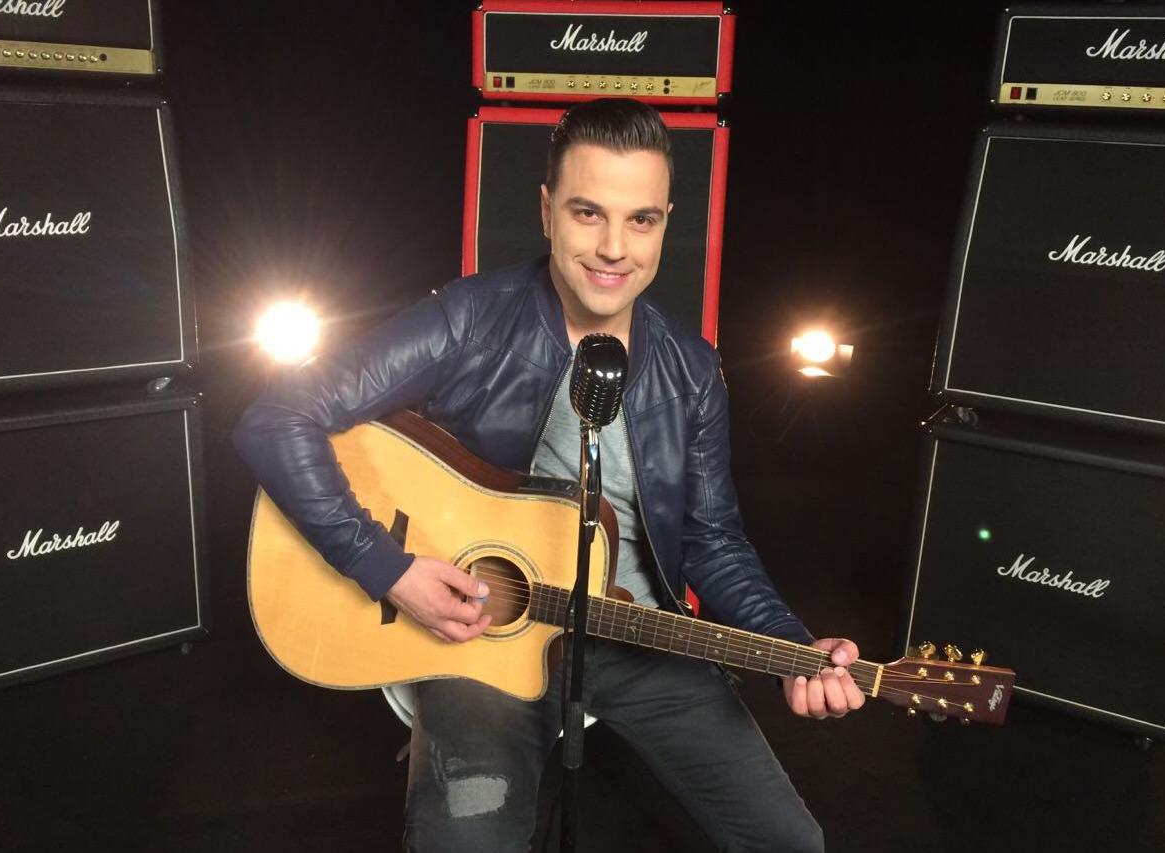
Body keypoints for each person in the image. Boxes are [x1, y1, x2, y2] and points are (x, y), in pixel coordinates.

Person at [234, 98, 865, 853]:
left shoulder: (692, 370)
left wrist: (790, 645)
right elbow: (276, 418)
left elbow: (713, 540)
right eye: (587, 212)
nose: (613, 248)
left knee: (792, 842)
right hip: (478, 637)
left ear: (666, 223)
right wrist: (387, 568)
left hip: (634, 632)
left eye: (641, 220)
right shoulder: (469, 319)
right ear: (545, 211)